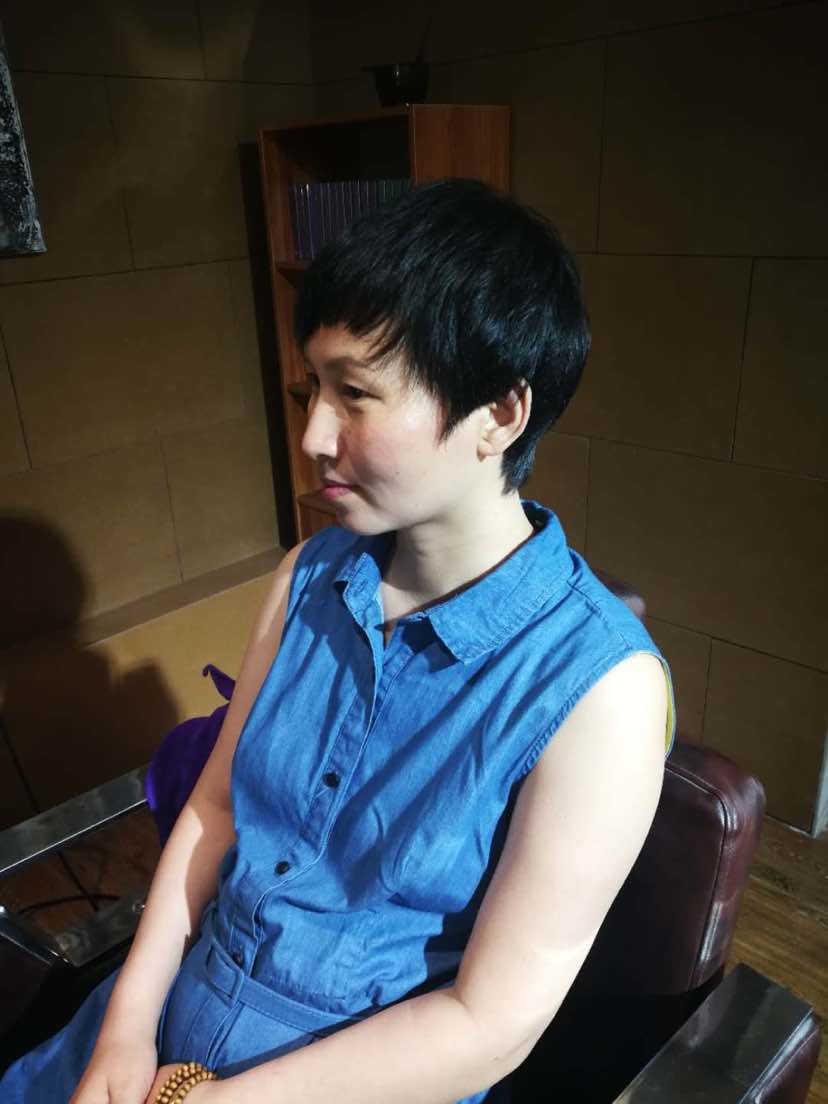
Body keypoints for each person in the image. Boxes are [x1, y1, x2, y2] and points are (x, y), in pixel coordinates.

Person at [1, 178, 676, 1104]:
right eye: (313, 387)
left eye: (355, 393)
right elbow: (217, 810)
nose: (315, 433)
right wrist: (125, 1026)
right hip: (170, 1018)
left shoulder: (603, 691)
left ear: (499, 414)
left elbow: (489, 1025)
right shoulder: (308, 578)